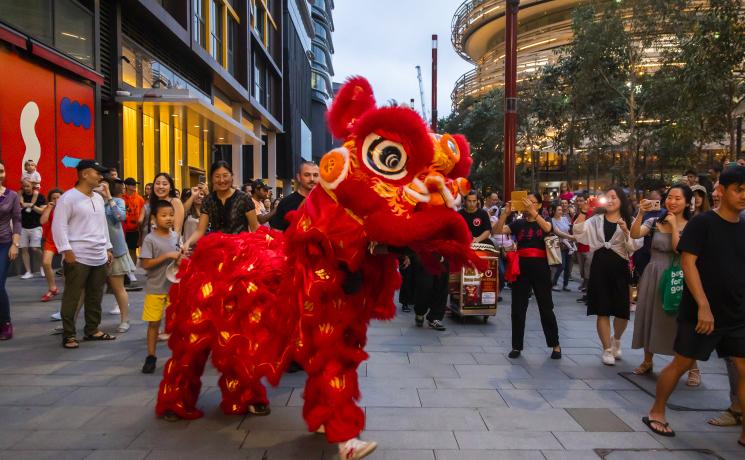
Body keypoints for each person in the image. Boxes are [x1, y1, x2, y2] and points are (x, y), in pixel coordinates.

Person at [643, 166, 745, 444]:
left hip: (736, 311)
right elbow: (688, 263)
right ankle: (657, 411)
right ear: (721, 191)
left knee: (743, 367)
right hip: (701, 311)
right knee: (682, 363)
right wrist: (703, 305)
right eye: (738, 190)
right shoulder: (703, 223)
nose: (743, 195)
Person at [631, 184, 701, 384]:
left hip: (678, 275)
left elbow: (679, 250)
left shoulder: (692, 225)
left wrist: (673, 226)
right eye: (669, 197)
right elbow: (635, 234)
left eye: (678, 198)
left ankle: (693, 367)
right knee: (650, 316)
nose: (672, 202)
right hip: (653, 273)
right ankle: (647, 361)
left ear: (687, 202)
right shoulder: (654, 221)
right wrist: (640, 213)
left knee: (680, 321)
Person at [573, 187, 642, 366]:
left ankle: (616, 339)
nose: (609, 200)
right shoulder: (596, 219)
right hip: (599, 266)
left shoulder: (629, 220)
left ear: (621, 200)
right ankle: (606, 349)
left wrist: (626, 230)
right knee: (602, 309)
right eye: (607, 197)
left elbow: (634, 246)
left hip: (620, 268)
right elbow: (578, 232)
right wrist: (583, 212)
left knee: (622, 311)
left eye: (614, 197)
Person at [53, 160, 115, 349]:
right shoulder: (68, 198)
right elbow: (59, 226)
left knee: (95, 296)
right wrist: (66, 250)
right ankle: (69, 334)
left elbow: (102, 225)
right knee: (72, 297)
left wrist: (108, 247)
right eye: (98, 173)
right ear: (85, 174)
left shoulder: (98, 198)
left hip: (99, 255)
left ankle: (92, 329)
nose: (101, 177)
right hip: (77, 256)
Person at [495, 192, 562, 360]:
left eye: (532, 202)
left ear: (539, 205)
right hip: (521, 268)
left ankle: (555, 344)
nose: (528, 204)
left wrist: (534, 213)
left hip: (541, 268)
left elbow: (548, 229)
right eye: (526, 202)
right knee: (518, 308)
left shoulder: (544, 221)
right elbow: (498, 231)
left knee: (546, 307)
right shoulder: (519, 223)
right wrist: (504, 214)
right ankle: (516, 346)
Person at [140, 199, 181, 374]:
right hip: (155, 289)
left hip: (174, 288)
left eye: (171, 215)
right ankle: (151, 356)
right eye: (164, 215)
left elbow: (179, 257)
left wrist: (182, 258)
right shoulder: (150, 239)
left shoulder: (176, 237)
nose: (169, 218)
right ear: (154, 219)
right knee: (154, 324)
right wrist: (167, 256)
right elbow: (145, 264)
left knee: (176, 325)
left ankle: (179, 357)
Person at [182, 161, 259, 252]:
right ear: (212, 179)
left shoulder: (243, 198)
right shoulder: (208, 200)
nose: (222, 180)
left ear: (232, 176)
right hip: (217, 251)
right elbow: (200, 230)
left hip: (240, 251)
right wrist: (188, 242)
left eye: (225, 175)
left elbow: (254, 227)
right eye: (217, 176)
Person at [102, 178, 135, 333]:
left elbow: (120, 216)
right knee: (85, 290)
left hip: (115, 250)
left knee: (118, 287)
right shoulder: (93, 201)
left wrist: (109, 198)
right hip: (97, 250)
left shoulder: (117, 201)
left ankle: (125, 319)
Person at [0, 161, 22, 340]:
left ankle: (6, 323)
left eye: (1, 171)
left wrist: (15, 244)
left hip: (4, 244)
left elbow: (17, 220)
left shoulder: (12, 195)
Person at [269, 162, 319, 231]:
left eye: (315, 175)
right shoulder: (286, 202)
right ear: (299, 177)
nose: (312, 179)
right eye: (307, 175)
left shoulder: (327, 202)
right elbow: (277, 231)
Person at [140, 173, 185, 238]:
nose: (161, 186)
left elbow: (177, 231)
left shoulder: (175, 202)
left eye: (164, 184)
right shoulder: (152, 203)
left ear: (171, 187)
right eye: (157, 183)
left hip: (169, 242)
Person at [18, 179, 46, 279]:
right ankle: (28, 272)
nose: (26, 188)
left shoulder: (40, 196)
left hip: (36, 226)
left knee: (35, 248)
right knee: (24, 249)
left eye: (28, 186)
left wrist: (31, 205)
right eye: (24, 186)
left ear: (32, 186)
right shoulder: (20, 196)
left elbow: (42, 211)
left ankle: (43, 266)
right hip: (22, 226)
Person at [40, 189, 63, 305]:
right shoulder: (48, 208)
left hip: (64, 240)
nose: (56, 200)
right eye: (53, 198)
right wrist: (49, 208)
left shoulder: (66, 208)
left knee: (67, 266)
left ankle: (69, 290)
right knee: (46, 263)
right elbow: (43, 221)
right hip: (50, 240)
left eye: (58, 197)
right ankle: (52, 288)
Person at [549, 201, 575, 292]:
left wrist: (572, 238)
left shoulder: (564, 219)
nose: (561, 211)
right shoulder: (552, 220)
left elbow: (570, 228)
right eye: (558, 210)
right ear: (554, 211)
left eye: (561, 210)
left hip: (569, 244)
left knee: (567, 266)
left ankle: (565, 285)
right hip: (559, 245)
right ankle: (553, 283)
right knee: (561, 265)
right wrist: (570, 237)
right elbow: (557, 232)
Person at [574, 194, 593, 302]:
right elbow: (575, 229)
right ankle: (586, 291)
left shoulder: (591, 213)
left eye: (581, 200)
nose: (579, 203)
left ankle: (589, 294)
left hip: (589, 247)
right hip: (580, 247)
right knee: (583, 271)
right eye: (577, 201)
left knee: (588, 271)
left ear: (586, 201)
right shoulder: (577, 213)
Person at [122, 177, 145, 266]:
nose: (134, 186)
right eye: (132, 184)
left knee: (132, 250)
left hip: (135, 229)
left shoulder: (140, 199)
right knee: (124, 251)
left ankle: (133, 270)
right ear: (127, 186)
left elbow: (143, 213)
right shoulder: (122, 198)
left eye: (135, 184)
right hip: (124, 229)